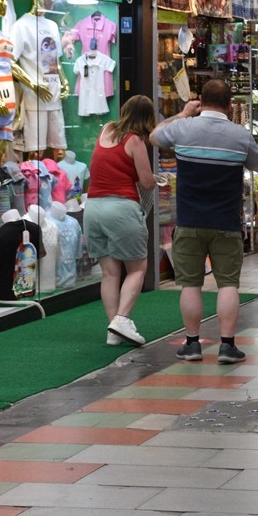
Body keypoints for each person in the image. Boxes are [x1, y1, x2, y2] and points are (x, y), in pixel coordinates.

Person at [151, 79, 258, 363]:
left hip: (189, 221)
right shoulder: (240, 135)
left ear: (200, 100)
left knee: (191, 284)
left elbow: (154, 136)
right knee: (228, 284)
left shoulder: (183, 128)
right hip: (226, 222)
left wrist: (182, 114)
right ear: (229, 105)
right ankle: (227, 346)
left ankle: (192, 344)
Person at [86, 94, 157, 347]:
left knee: (109, 273)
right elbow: (146, 181)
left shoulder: (106, 129)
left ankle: (113, 330)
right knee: (137, 268)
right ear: (147, 119)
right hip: (121, 208)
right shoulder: (135, 140)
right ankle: (122, 319)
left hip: (92, 208)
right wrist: (158, 179)